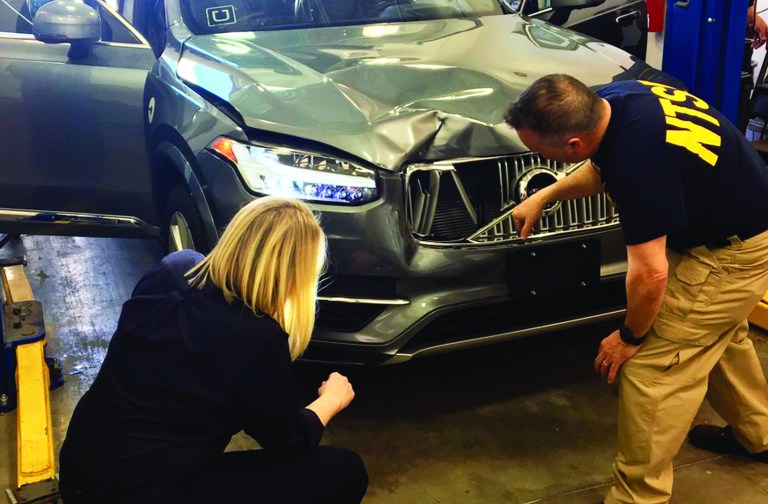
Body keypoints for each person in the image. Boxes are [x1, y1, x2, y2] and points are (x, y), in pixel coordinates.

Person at [505, 74, 768, 504]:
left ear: (572, 143)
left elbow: (651, 275)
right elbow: (598, 164)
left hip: (730, 256)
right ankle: (759, 435)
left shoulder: (640, 162)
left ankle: (637, 498)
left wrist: (630, 337)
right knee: (715, 338)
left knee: (656, 367)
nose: (536, 155)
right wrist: (547, 195)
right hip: (737, 227)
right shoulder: (613, 100)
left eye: (539, 151)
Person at [58, 196, 368, 504]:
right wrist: (331, 399)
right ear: (297, 279)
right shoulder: (258, 338)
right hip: (138, 494)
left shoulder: (173, 268)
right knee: (345, 471)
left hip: (79, 471)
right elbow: (290, 441)